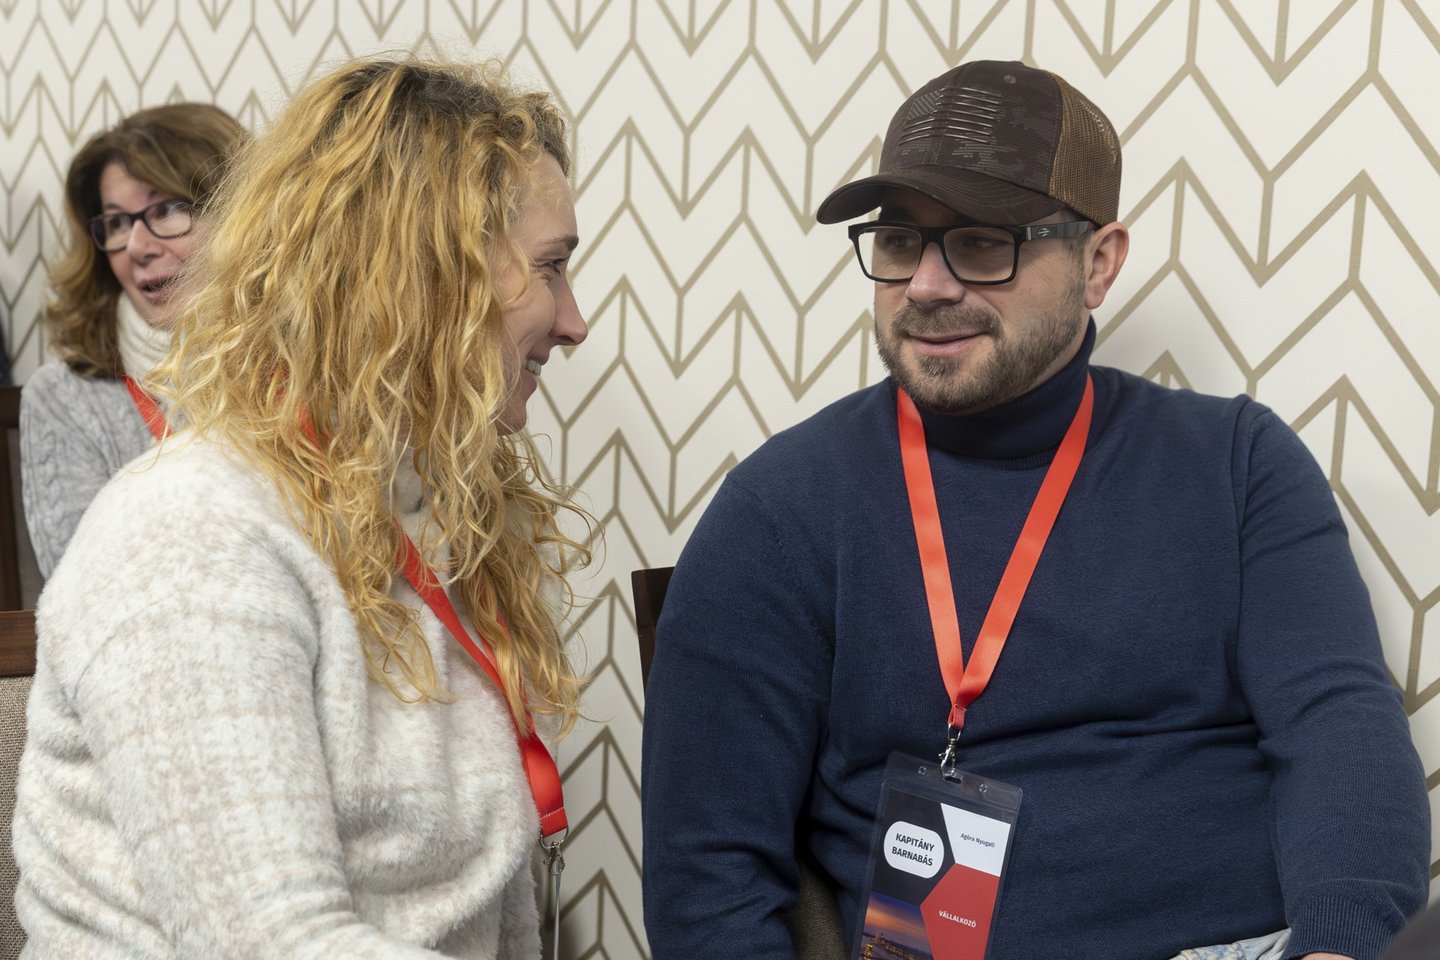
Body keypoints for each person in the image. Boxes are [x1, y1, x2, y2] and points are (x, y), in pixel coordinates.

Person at [641, 60, 1429, 960]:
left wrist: (1337, 947)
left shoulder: (1238, 462)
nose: (926, 285)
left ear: (1098, 264)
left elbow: (1340, 728)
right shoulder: (779, 509)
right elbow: (707, 878)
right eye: (898, 240)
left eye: (982, 242)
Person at [13, 56, 591, 958]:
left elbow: (480, 894)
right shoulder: (187, 539)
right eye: (549, 269)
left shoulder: (429, 508)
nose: (574, 321)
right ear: (420, 280)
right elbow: (273, 942)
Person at [20, 102, 247, 578]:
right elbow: (81, 586)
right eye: (118, 223)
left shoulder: (302, 362)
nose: (138, 247)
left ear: (239, 213)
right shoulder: (66, 396)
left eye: (166, 210)